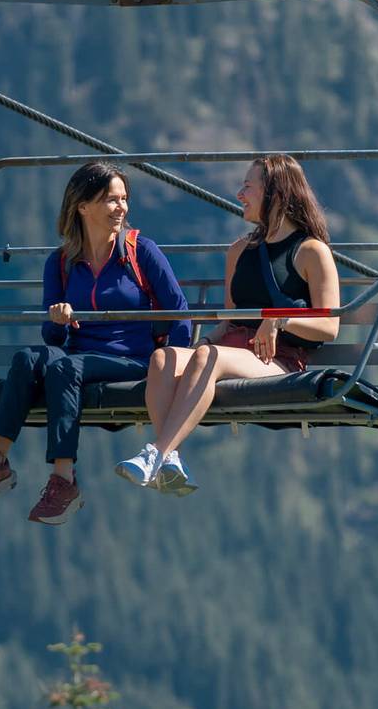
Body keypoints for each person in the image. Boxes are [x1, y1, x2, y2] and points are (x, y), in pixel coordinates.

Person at [0, 161, 192, 524]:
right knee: (26, 358)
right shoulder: (62, 262)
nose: (121, 208)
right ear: (83, 206)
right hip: (77, 355)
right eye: (111, 200)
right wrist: (58, 321)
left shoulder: (139, 252)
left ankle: (63, 479)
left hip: (131, 358)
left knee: (65, 366)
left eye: (124, 199)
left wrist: (177, 368)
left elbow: (178, 311)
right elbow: (52, 339)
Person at [120, 154, 340, 494]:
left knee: (210, 358)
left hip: (278, 361)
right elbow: (231, 317)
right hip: (231, 351)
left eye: (248, 186)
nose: (240, 194)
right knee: (163, 358)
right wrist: (203, 342)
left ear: (276, 194)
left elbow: (329, 327)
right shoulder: (239, 250)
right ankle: (170, 461)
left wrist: (278, 320)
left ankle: (157, 453)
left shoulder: (311, 251)